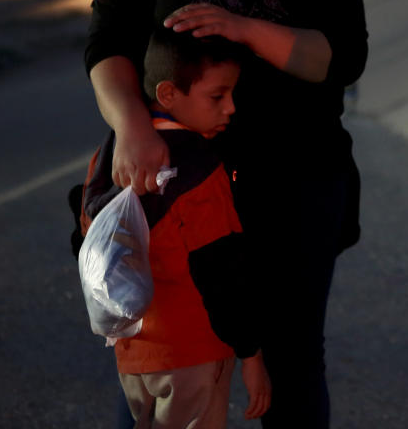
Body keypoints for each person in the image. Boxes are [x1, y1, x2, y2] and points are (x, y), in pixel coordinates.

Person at [84, 0, 367, 428]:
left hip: (295, 186)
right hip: (171, 187)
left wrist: (242, 27)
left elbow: (341, 58)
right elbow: (107, 46)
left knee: (293, 361)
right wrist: (132, 127)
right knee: (158, 354)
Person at [80, 29, 270, 427]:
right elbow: (223, 274)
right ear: (168, 94)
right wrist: (251, 354)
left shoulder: (109, 154)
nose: (231, 107)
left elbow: (87, 242)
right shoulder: (201, 170)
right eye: (217, 96)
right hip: (194, 354)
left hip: (135, 356)